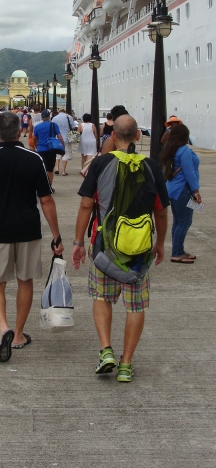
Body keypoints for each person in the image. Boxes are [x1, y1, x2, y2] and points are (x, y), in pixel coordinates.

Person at [71, 115, 169, 382]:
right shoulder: (151, 166)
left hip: (105, 248)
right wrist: (159, 242)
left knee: (102, 298)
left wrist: (78, 242)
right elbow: (160, 211)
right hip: (140, 250)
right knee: (135, 306)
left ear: (113, 136)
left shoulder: (101, 163)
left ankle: (106, 351)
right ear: (138, 136)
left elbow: (86, 205)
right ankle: (126, 364)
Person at [0, 112, 64, 362]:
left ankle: (3, 328)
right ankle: (20, 334)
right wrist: (56, 235)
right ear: (20, 131)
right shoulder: (33, 159)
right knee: (25, 280)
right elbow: (46, 199)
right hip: (28, 229)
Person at [159, 123, 201, 264]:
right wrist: (196, 191)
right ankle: (177, 253)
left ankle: (178, 250)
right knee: (184, 221)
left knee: (178, 221)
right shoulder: (185, 151)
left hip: (172, 188)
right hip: (183, 189)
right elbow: (189, 173)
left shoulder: (171, 149)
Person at [33, 109, 64, 188]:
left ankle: (41, 186)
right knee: (50, 169)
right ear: (49, 116)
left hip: (40, 149)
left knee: (42, 169)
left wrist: (36, 145)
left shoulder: (37, 127)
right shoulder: (54, 125)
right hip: (51, 150)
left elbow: (34, 138)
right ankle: (49, 187)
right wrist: (62, 146)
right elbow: (60, 137)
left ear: (42, 117)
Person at [54, 108, 76, 176]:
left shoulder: (55, 118)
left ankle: (57, 168)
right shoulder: (69, 117)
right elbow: (73, 127)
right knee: (65, 154)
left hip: (57, 138)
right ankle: (63, 171)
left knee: (57, 154)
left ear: (59, 112)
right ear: (65, 111)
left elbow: (52, 127)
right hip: (67, 137)